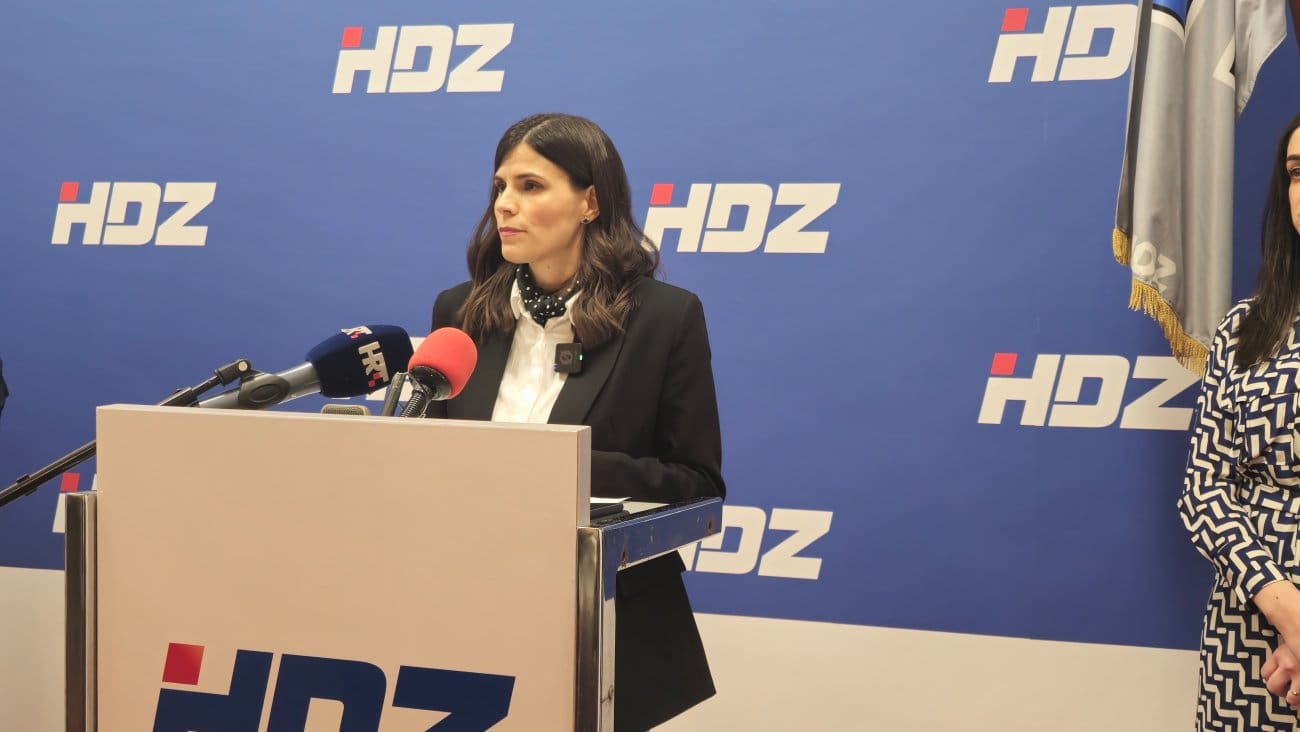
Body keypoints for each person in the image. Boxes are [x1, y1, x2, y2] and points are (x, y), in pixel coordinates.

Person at [426, 113, 725, 730]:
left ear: (590, 202)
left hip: (599, 619)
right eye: (500, 187)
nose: (504, 205)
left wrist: (560, 466)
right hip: (464, 601)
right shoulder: (460, 310)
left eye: (530, 186)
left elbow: (697, 482)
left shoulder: (664, 318)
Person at [1180, 112, 1300, 726]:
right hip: (1248, 634)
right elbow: (1202, 490)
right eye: (1297, 172)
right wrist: (1287, 613)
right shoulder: (1246, 328)